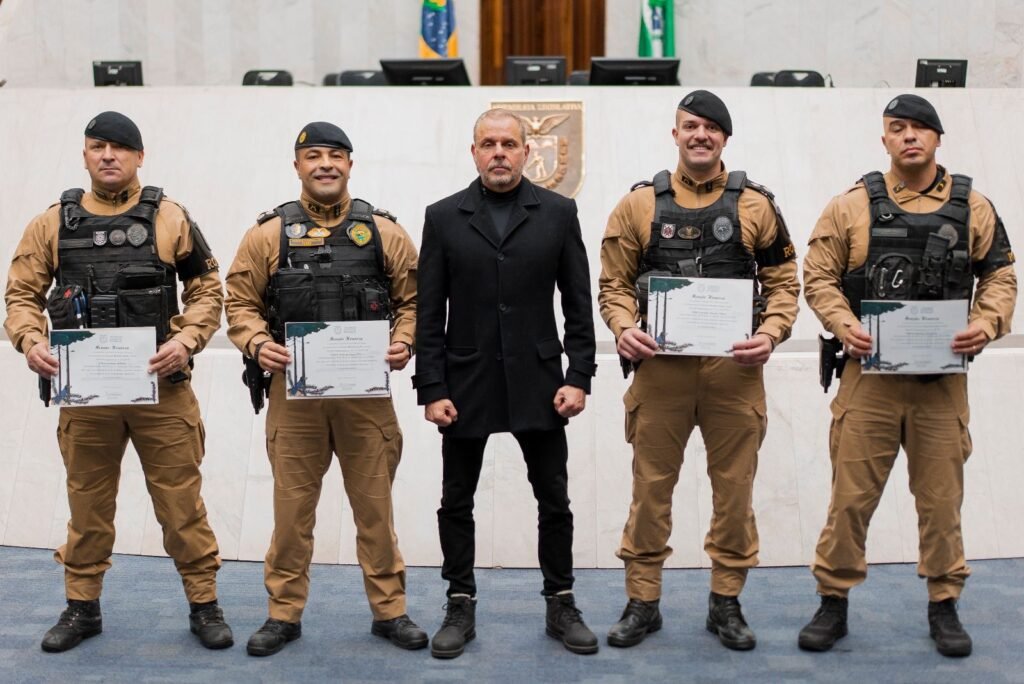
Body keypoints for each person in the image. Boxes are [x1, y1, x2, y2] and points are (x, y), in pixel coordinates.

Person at [3, 111, 232, 652]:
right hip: (87, 396)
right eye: (98, 146)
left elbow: (207, 287)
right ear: (85, 154)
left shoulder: (169, 216)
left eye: (120, 147)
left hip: (163, 391)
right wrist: (31, 341)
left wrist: (186, 339)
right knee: (87, 507)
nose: (109, 155)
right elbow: (21, 295)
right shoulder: (52, 224)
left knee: (181, 506)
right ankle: (82, 608)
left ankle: (204, 604)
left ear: (139, 156)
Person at [798, 94, 1016, 658]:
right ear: (885, 140)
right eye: (898, 128)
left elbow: (1000, 276)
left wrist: (985, 323)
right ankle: (833, 600)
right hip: (867, 380)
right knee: (850, 500)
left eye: (920, 128)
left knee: (941, 503)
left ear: (938, 138)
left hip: (940, 385)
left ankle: (944, 603)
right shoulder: (851, 206)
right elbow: (818, 275)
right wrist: (843, 323)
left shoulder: (974, 208)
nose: (909, 137)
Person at [598, 90, 799, 651]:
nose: (700, 135)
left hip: (734, 371)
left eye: (711, 127)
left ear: (724, 138)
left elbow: (784, 283)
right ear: (676, 134)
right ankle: (642, 602)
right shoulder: (638, 205)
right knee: (650, 490)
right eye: (690, 126)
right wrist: (623, 327)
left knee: (734, 493)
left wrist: (770, 333)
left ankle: (725, 602)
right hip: (660, 370)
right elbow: (614, 283)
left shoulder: (756, 206)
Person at [224, 121, 427, 657]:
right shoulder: (268, 235)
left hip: (366, 401)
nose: (325, 164)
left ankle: (390, 611)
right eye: (313, 155)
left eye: (335, 155)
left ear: (350, 164)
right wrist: (256, 343)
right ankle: (283, 614)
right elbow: (239, 303)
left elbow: (414, 301)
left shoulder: (384, 232)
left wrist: (404, 340)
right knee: (292, 516)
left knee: (375, 513)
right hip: (294, 399)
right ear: (297, 165)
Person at [413, 108, 598, 659]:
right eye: (489, 143)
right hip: (465, 382)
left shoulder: (558, 213)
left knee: (554, 499)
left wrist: (579, 376)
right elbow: (429, 313)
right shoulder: (443, 217)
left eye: (509, 144)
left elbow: (578, 305)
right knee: (456, 500)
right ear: (473, 152)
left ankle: (561, 602)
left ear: (526, 151)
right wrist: (432, 388)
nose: (499, 152)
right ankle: (459, 602)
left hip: (540, 380)